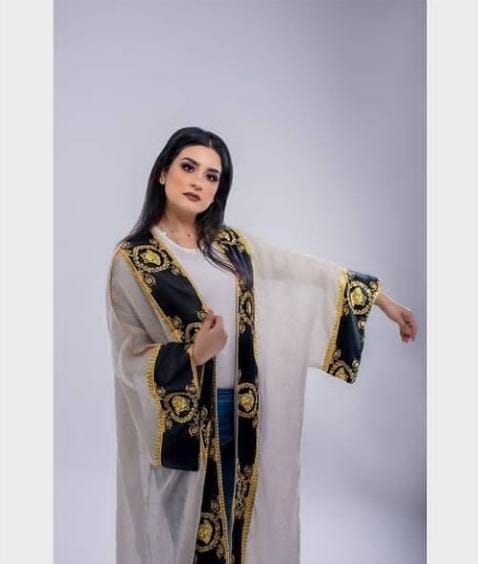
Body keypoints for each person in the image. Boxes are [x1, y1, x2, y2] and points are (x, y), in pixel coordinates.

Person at [105, 126, 418, 564]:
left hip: (242, 412)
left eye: (212, 176)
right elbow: (128, 354)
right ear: (162, 173)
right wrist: (193, 355)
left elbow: (298, 272)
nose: (198, 182)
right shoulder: (135, 259)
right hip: (184, 422)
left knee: (240, 528)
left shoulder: (231, 247)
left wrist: (379, 298)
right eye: (188, 167)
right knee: (186, 536)